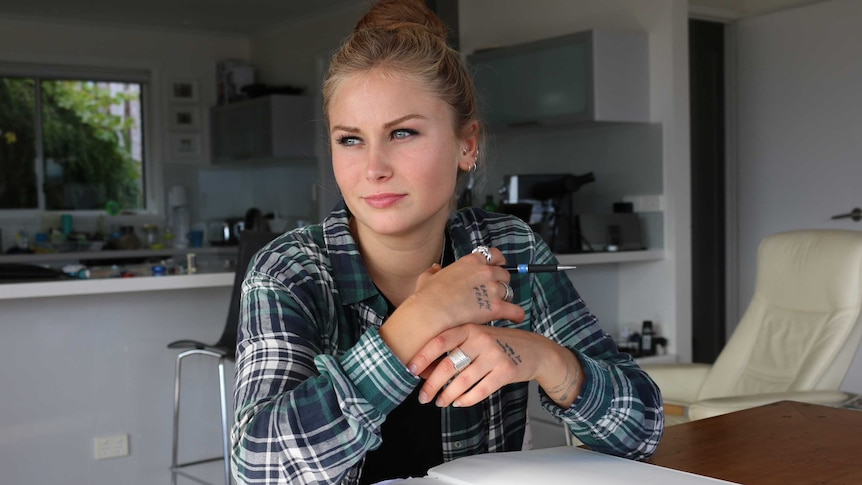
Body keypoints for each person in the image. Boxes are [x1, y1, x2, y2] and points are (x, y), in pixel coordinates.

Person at [231, 0, 663, 483]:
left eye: (402, 132)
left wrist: (545, 358)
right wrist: (422, 317)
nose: (373, 167)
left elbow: (643, 430)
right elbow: (258, 468)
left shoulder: (511, 248)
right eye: (350, 139)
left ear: (467, 144)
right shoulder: (289, 271)